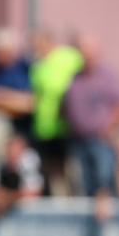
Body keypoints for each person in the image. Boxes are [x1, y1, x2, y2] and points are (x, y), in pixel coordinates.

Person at [63, 34, 119, 197]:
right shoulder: (75, 77)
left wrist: (112, 129)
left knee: (103, 182)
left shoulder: (108, 76)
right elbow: (67, 106)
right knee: (82, 185)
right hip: (78, 139)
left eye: (90, 54)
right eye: (84, 54)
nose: (87, 58)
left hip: (101, 140)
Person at [29, 29, 83, 195]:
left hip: (65, 126)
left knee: (71, 169)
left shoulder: (68, 57)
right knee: (52, 171)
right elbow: (37, 95)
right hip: (45, 128)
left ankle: (75, 200)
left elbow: (82, 78)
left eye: (39, 45)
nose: (37, 49)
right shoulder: (38, 66)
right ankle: (59, 200)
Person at [0, 26, 33, 138]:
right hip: (4, 120)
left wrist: (5, 95)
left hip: (25, 123)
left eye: (0, 51)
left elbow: (29, 98)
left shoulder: (24, 66)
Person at [0, 134, 43, 218]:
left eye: (15, 153)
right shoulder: (2, 167)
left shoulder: (29, 163)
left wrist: (7, 197)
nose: (11, 156)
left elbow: (32, 195)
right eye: (9, 153)